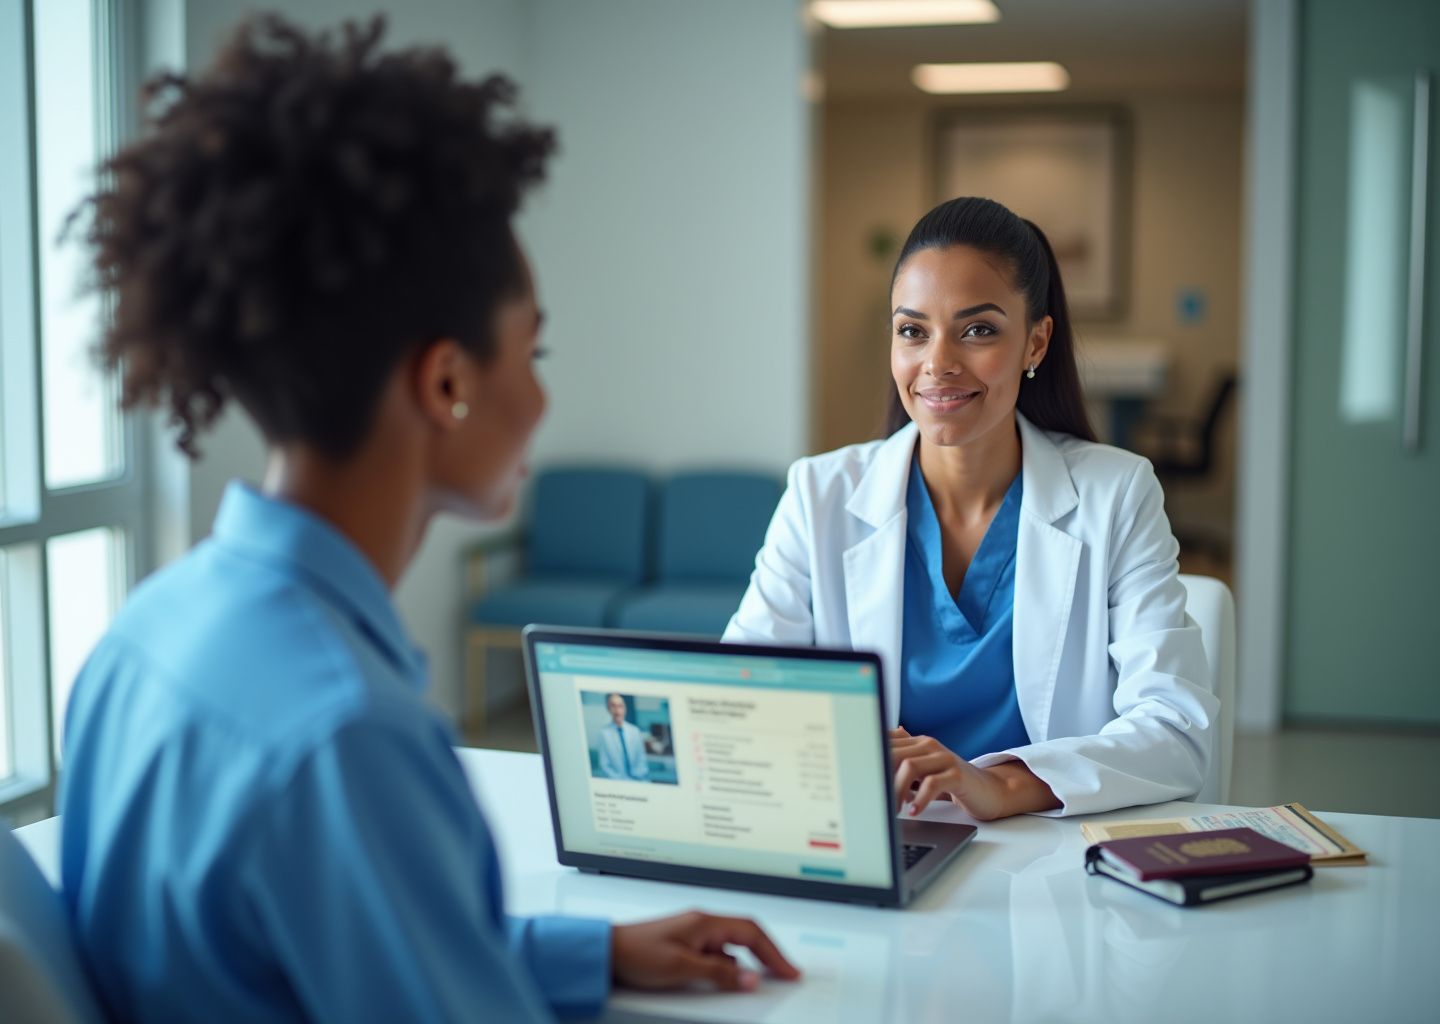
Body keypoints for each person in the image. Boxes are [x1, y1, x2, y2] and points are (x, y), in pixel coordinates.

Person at [58, 15, 797, 1022]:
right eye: (531, 354)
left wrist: (592, 951)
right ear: (447, 380)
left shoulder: (146, 631)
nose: (540, 399)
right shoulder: (348, 736)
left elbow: (307, 947)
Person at [725, 196, 1216, 821]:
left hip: (1047, 859)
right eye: (913, 331)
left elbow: (1177, 730)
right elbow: (740, 699)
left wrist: (1000, 786)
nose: (939, 364)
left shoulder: (1116, 495)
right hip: (884, 843)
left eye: (978, 329)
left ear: (1036, 342)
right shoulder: (819, 495)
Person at [597, 693, 651, 780]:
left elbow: (641, 759)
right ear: (608, 709)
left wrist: (638, 777)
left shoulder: (635, 731)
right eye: (613, 706)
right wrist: (621, 780)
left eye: (620, 706)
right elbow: (604, 765)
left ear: (625, 709)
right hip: (617, 781)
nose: (617, 710)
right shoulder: (604, 733)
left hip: (639, 779)